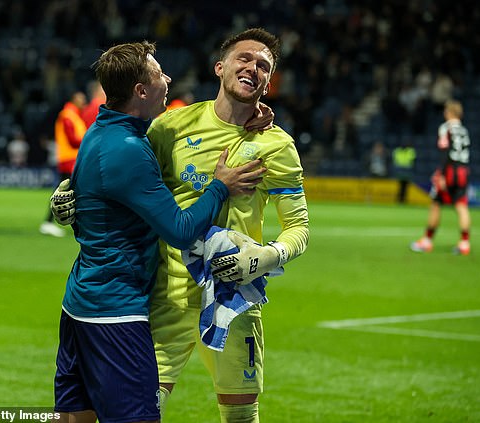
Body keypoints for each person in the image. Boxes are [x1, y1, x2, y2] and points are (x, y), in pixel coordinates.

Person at [52, 28, 310, 423]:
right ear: (220, 67)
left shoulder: (278, 147)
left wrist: (266, 256)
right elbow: (118, 169)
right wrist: (71, 195)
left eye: (264, 66)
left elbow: (299, 228)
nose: (253, 68)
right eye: (244, 59)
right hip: (164, 297)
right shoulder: (170, 127)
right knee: (137, 411)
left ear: (268, 82)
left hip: (233, 301)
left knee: (241, 416)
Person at [411, 99, 471, 255]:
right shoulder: (464, 130)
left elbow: (445, 153)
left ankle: (427, 241)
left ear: (449, 112)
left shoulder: (445, 128)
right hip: (463, 171)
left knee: (435, 205)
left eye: (446, 111)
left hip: (450, 171)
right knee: (461, 206)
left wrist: (442, 174)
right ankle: (465, 243)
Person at [40, 91, 87, 237]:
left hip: (72, 158)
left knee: (65, 191)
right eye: (81, 98)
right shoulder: (67, 115)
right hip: (69, 159)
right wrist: (89, 140)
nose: (84, 101)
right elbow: (72, 139)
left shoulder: (74, 115)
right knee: (65, 191)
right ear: (74, 99)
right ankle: (48, 222)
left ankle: (49, 222)